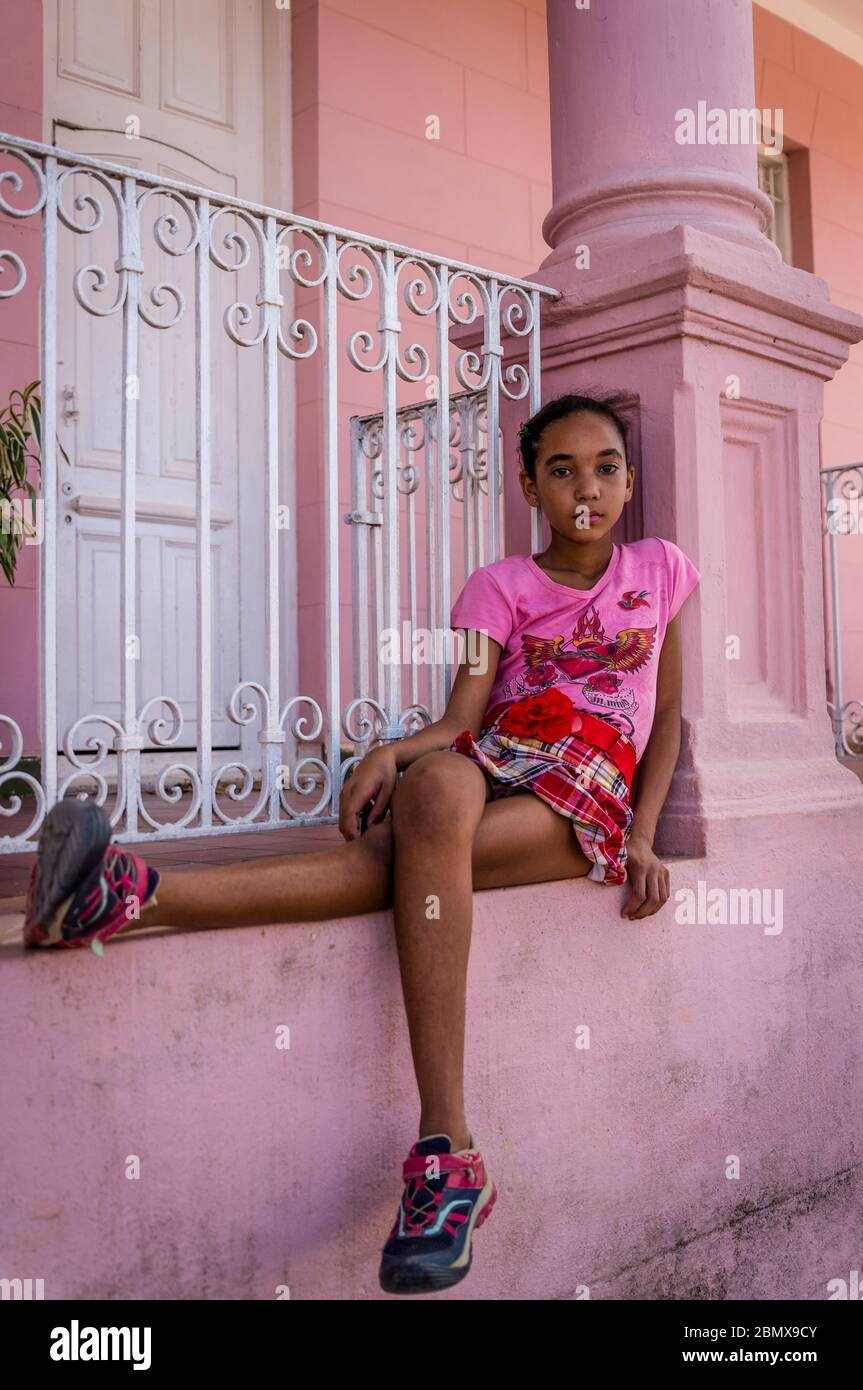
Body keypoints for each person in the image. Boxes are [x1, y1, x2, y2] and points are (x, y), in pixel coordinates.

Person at [21, 392, 700, 1296]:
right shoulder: (496, 586)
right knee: (437, 781)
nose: (588, 486)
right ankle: (118, 894)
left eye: (606, 466)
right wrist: (388, 752)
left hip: (586, 796)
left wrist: (645, 836)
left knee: (394, 860)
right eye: (563, 468)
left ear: (627, 478)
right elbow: (464, 717)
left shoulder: (660, 570)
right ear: (530, 483)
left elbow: (666, 718)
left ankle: (443, 1149)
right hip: (499, 758)